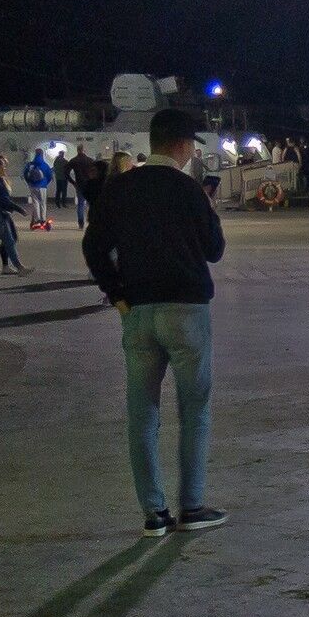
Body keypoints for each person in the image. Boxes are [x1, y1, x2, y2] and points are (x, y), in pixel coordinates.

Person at [82, 107, 227, 537]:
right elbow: (214, 250)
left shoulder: (120, 188)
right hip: (186, 310)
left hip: (139, 313)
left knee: (142, 414)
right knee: (194, 411)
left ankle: (154, 514)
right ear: (183, 145)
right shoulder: (189, 190)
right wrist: (209, 207)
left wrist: (118, 295)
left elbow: (93, 248)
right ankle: (192, 506)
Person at [0, 155, 28, 275]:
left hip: (0, 214)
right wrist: (18, 208)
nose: (5, 168)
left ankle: (20, 267)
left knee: (9, 241)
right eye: (3, 165)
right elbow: (3, 200)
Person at [22, 148, 53, 227]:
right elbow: (49, 176)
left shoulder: (30, 165)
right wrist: (45, 183)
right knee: (43, 203)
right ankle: (43, 220)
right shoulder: (45, 165)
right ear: (42, 154)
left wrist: (29, 182)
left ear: (35, 154)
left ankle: (37, 220)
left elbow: (25, 174)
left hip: (32, 186)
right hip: (43, 186)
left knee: (35, 203)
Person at [69, 144, 97, 227]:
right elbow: (95, 173)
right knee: (91, 203)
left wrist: (73, 182)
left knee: (80, 204)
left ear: (77, 150)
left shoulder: (74, 160)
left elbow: (66, 172)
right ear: (84, 150)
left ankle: (81, 222)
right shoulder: (90, 160)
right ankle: (91, 221)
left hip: (79, 185)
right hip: (89, 185)